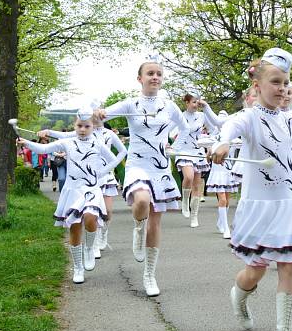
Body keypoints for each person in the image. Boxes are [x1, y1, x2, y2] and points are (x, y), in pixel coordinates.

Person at [210, 48, 292, 331]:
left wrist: (286, 166)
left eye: (285, 83)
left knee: (288, 266)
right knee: (255, 271)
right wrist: (222, 144)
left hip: (287, 203)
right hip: (259, 206)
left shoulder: (290, 120)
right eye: (275, 82)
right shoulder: (249, 117)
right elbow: (230, 131)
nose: (282, 88)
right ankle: (239, 296)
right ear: (257, 86)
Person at [95, 58, 190, 296]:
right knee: (142, 201)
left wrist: (174, 144)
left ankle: (149, 275)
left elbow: (185, 127)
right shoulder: (130, 104)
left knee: (156, 223)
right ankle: (137, 227)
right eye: (150, 73)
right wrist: (98, 113)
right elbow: (103, 116)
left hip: (160, 168)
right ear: (140, 78)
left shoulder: (169, 106)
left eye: (159, 73)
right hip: (137, 165)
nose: (155, 77)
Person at [17, 114, 124, 284]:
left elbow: (115, 159)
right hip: (73, 190)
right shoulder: (67, 142)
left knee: (91, 218)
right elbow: (44, 149)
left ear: (92, 127)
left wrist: (101, 172)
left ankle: (89, 248)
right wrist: (27, 143)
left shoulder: (98, 143)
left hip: (91, 188)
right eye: (79, 126)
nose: (82, 130)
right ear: (75, 125)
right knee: (74, 227)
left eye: (86, 126)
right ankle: (78, 268)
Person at [40, 107, 127, 255]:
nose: (97, 118)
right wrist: (49, 132)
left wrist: (108, 168)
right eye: (94, 116)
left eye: (100, 116)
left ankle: (102, 235)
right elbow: (65, 135)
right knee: (90, 213)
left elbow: (122, 151)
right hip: (86, 179)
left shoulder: (109, 134)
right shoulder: (83, 131)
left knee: (107, 211)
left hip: (104, 175)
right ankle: (92, 246)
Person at [199, 103, 240, 239]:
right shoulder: (214, 139)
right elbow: (208, 155)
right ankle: (226, 228)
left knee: (227, 201)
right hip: (218, 173)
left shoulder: (234, 139)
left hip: (229, 172)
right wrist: (210, 153)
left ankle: (220, 222)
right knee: (222, 199)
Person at [173, 93, 209, 228]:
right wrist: (166, 142)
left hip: (197, 151)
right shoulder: (180, 116)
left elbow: (213, 128)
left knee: (196, 186)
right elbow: (169, 132)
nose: (196, 105)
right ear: (187, 103)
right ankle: (184, 202)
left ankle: (194, 216)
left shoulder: (202, 116)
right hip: (183, 150)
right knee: (188, 176)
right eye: (194, 102)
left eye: (197, 102)